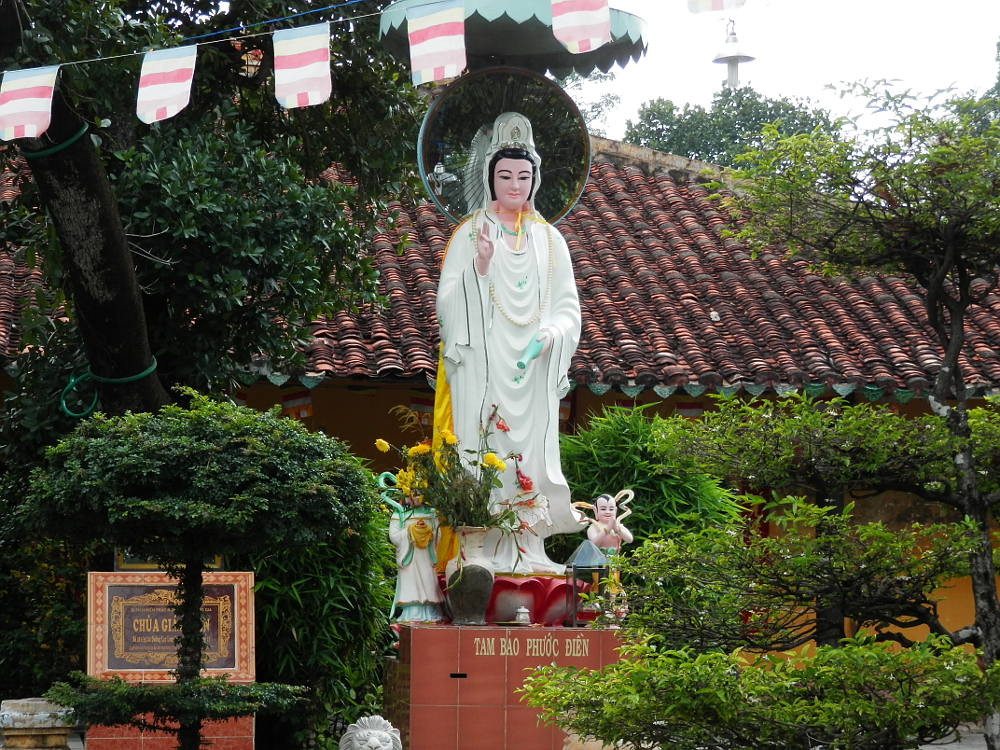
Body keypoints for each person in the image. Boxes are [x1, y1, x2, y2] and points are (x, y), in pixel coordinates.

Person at [434, 112, 584, 574]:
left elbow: (568, 307)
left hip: (534, 367)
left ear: (535, 179)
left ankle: (531, 550)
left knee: (532, 454)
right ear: (490, 178)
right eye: (505, 175)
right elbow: (446, 307)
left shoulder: (550, 238)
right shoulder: (469, 233)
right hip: (484, 366)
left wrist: (550, 336)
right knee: (485, 448)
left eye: (523, 175)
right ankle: (484, 546)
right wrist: (479, 266)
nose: (514, 185)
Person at [576, 490, 635, 556]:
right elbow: (593, 543)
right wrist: (607, 530)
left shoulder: (618, 526)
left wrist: (617, 530)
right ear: (595, 511)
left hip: (614, 561)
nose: (608, 512)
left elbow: (630, 539)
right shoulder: (594, 527)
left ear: (615, 510)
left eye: (611, 509)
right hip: (598, 562)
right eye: (603, 509)